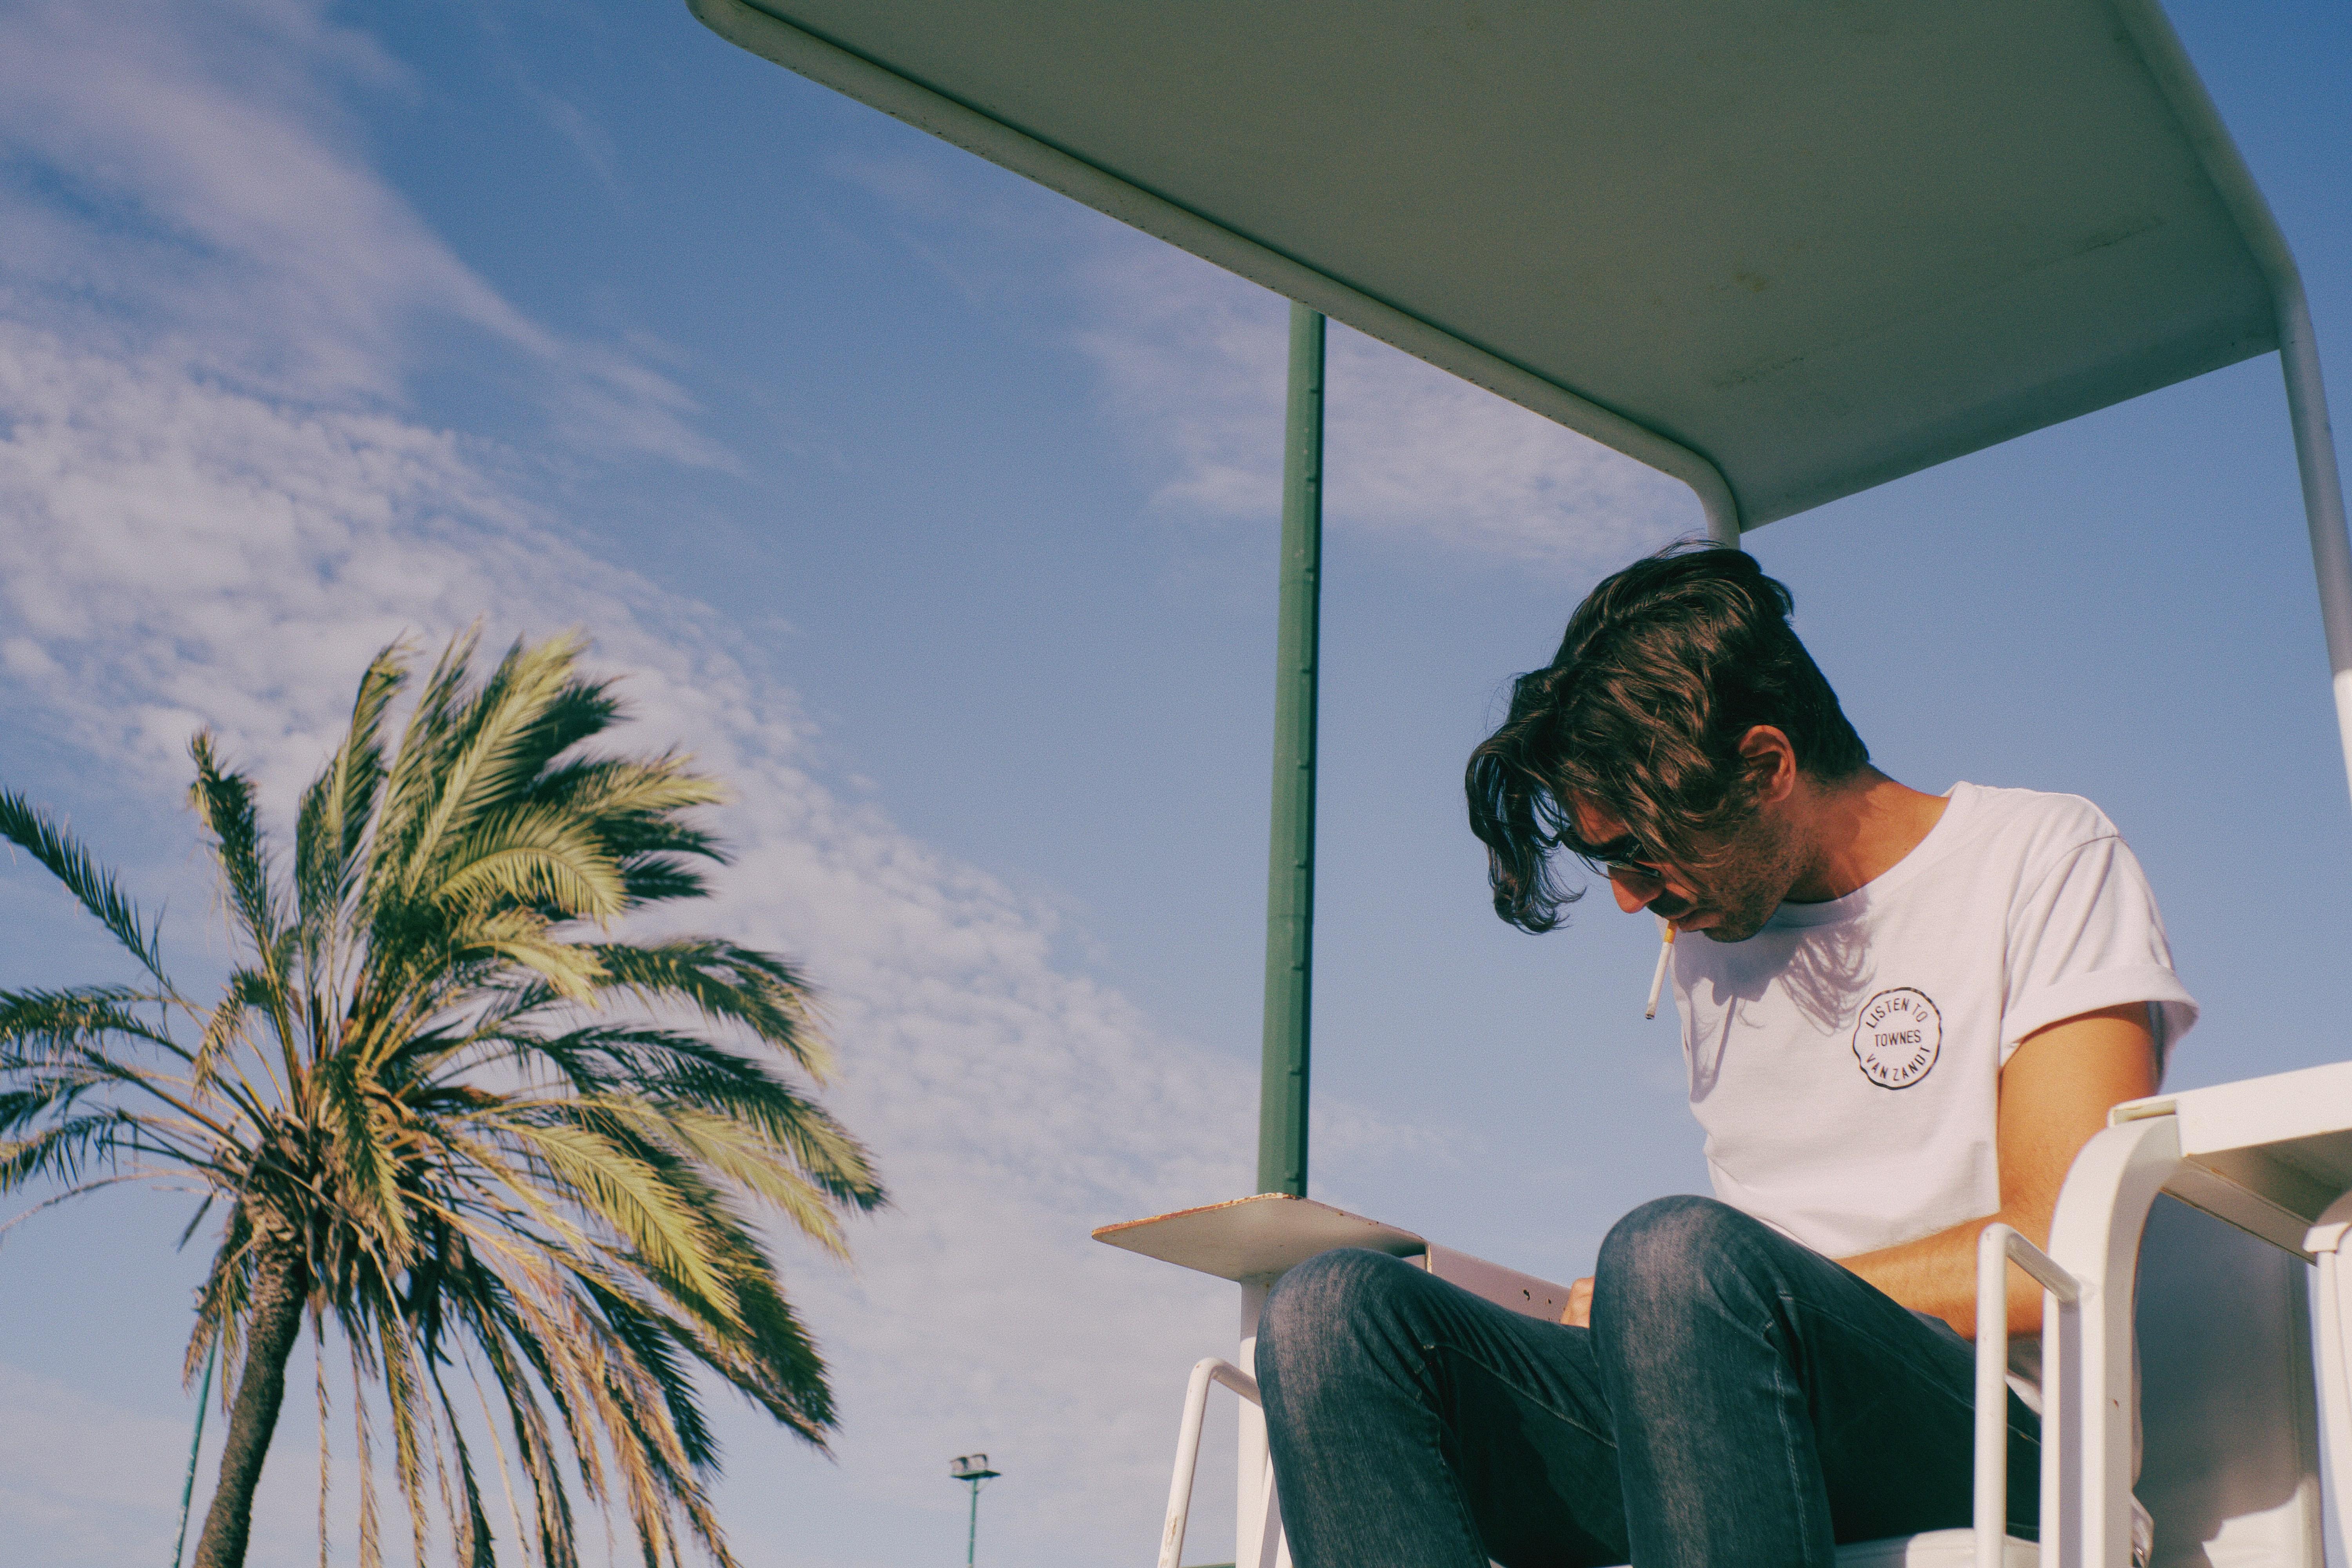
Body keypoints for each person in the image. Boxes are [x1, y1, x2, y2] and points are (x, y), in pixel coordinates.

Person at [1251, 543, 2195, 1568]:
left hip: (2000, 1432)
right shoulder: (1708, 943)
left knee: (1667, 1261)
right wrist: (1675, 1316)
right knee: (1331, 1318)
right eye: (1606, 858)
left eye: (1643, 854)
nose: (1626, 896)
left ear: (1766, 768)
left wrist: (1699, 1296)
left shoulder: (2042, 858)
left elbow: (2048, 1250)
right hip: (1732, 1396)